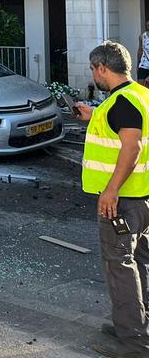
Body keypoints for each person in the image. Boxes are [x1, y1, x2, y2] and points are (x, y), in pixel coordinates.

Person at [76, 41, 149, 358]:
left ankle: (134, 341)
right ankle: (135, 323)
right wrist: (94, 116)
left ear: (102, 68)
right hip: (143, 200)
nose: (94, 76)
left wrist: (111, 190)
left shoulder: (121, 103)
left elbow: (132, 148)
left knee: (120, 264)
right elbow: (124, 131)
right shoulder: (139, 95)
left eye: (94, 70)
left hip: (123, 203)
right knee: (140, 261)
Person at [138, 21, 149, 86]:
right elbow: (140, 50)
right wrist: (138, 64)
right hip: (143, 65)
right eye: (148, 25)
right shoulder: (142, 36)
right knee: (140, 86)